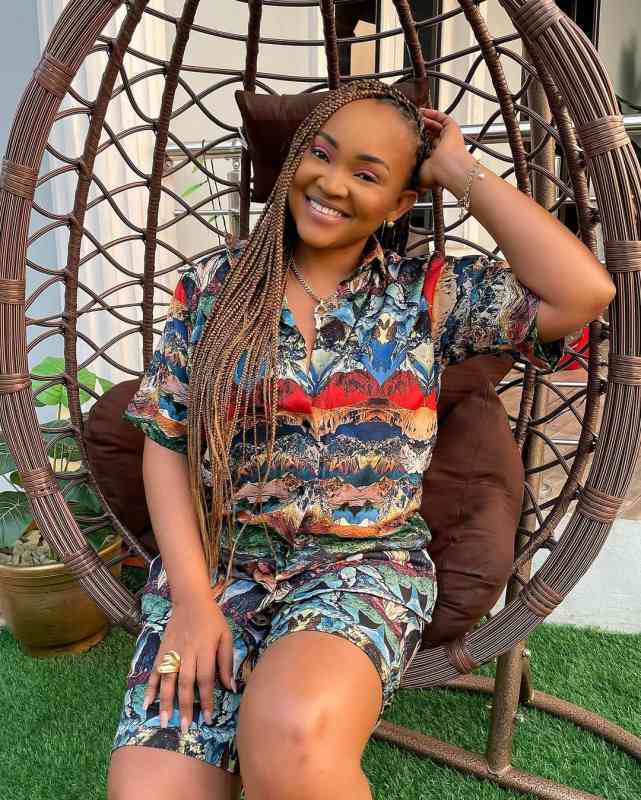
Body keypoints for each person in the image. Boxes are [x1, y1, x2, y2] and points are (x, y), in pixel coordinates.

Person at [107, 78, 615, 800]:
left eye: (368, 174)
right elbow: (165, 441)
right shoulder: (214, 288)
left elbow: (583, 292)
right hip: (219, 567)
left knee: (288, 734)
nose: (333, 183)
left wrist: (458, 171)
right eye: (321, 154)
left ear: (399, 204)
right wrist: (190, 603)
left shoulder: (427, 295)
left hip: (360, 567)